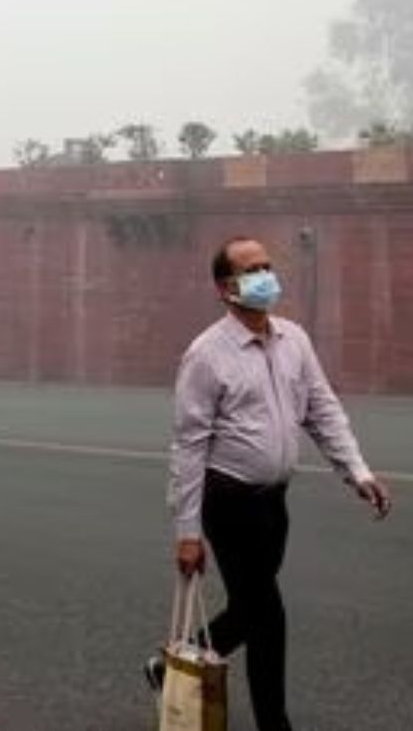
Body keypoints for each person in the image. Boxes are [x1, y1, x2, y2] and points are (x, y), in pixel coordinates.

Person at [150, 236, 393, 731]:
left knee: (249, 605)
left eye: (267, 265)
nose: (266, 276)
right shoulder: (206, 355)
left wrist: (358, 471)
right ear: (225, 288)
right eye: (251, 269)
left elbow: (322, 411)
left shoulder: (294, 340)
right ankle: (274, 723)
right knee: (268, 616)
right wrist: (188, 532)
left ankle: (172, 663)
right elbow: (189, 446)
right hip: (228, 500)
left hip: (273, 503)